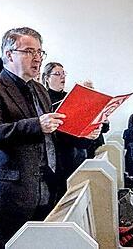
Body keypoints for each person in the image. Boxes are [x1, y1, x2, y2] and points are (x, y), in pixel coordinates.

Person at [0, 27, 65, 249]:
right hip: (12, 193)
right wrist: (36, 125)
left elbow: (50, 136)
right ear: (9, 54)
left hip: (44, 188)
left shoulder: (40, 90)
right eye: (29, 52)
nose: (37, 58)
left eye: (40, 52)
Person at [40, 62, 102, 202]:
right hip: (58, 154)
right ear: (46, 78)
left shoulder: (70, 97)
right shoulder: (45, 99)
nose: (62, 77)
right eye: (57, 74)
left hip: (77, 152)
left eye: (63, 74)